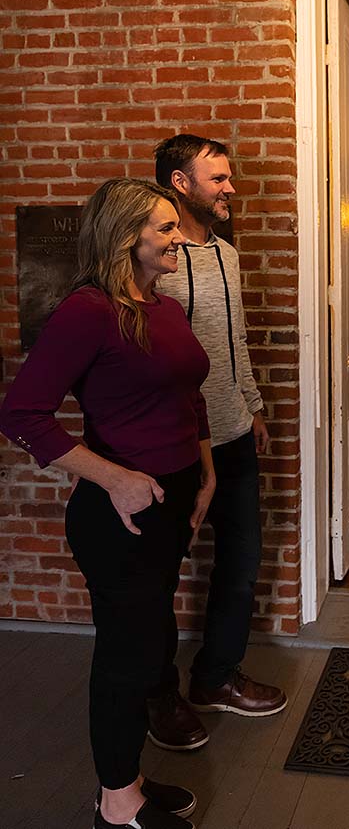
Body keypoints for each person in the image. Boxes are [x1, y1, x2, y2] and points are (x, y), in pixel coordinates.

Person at [0, 179, 213, 828]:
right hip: (120, 511)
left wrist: (202, 473)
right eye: (167, 227)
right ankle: (117, 807)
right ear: (128, 237)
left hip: (170, 499)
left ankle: (130, 781)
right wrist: (114, 478)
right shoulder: (88, 310)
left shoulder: (166, 309)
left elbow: (188, 396)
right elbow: (21, 413)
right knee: (131, 654)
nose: (182, 237)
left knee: (149, 649)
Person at [147, 134, 285, 752]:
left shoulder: (227, 254)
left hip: (230, 434)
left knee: (241, 564)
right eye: (218, 179)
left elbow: (237, 340)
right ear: (181, 184)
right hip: (175, 444)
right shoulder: (152, 259)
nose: (231, 188)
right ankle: (157, 695)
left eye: (230, 177)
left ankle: (215, 678)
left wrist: (251, 405)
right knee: (154, 577)